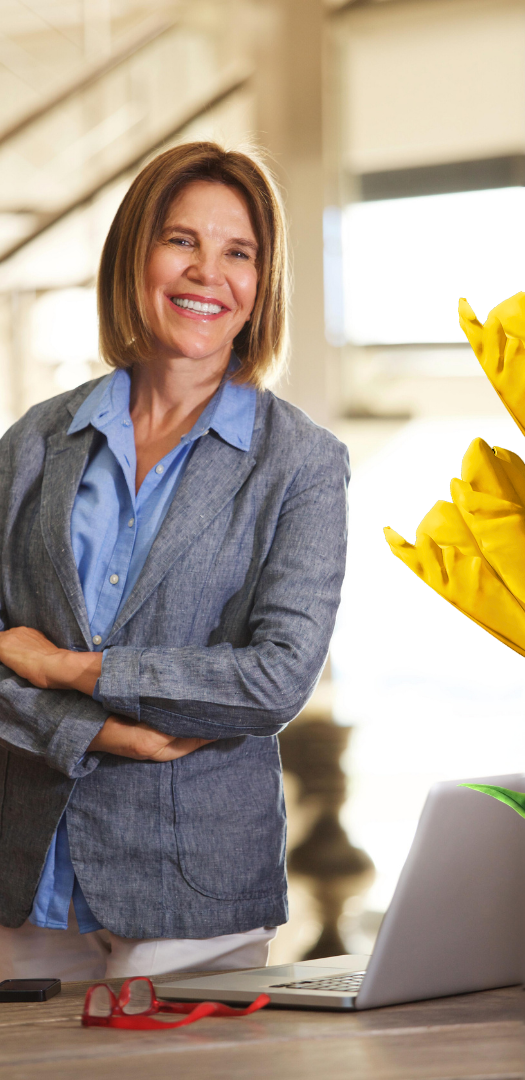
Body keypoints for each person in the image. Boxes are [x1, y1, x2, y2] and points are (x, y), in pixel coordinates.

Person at [0, 142, 349, 980]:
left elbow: (272, 681)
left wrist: (73, 668)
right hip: (21, 881)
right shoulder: (34, 442)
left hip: (192, 900)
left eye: (240, 252)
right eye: (181, 240)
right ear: (137, 254)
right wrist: (99, 729)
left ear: (263, 285)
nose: (208, 273)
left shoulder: (301, 463)